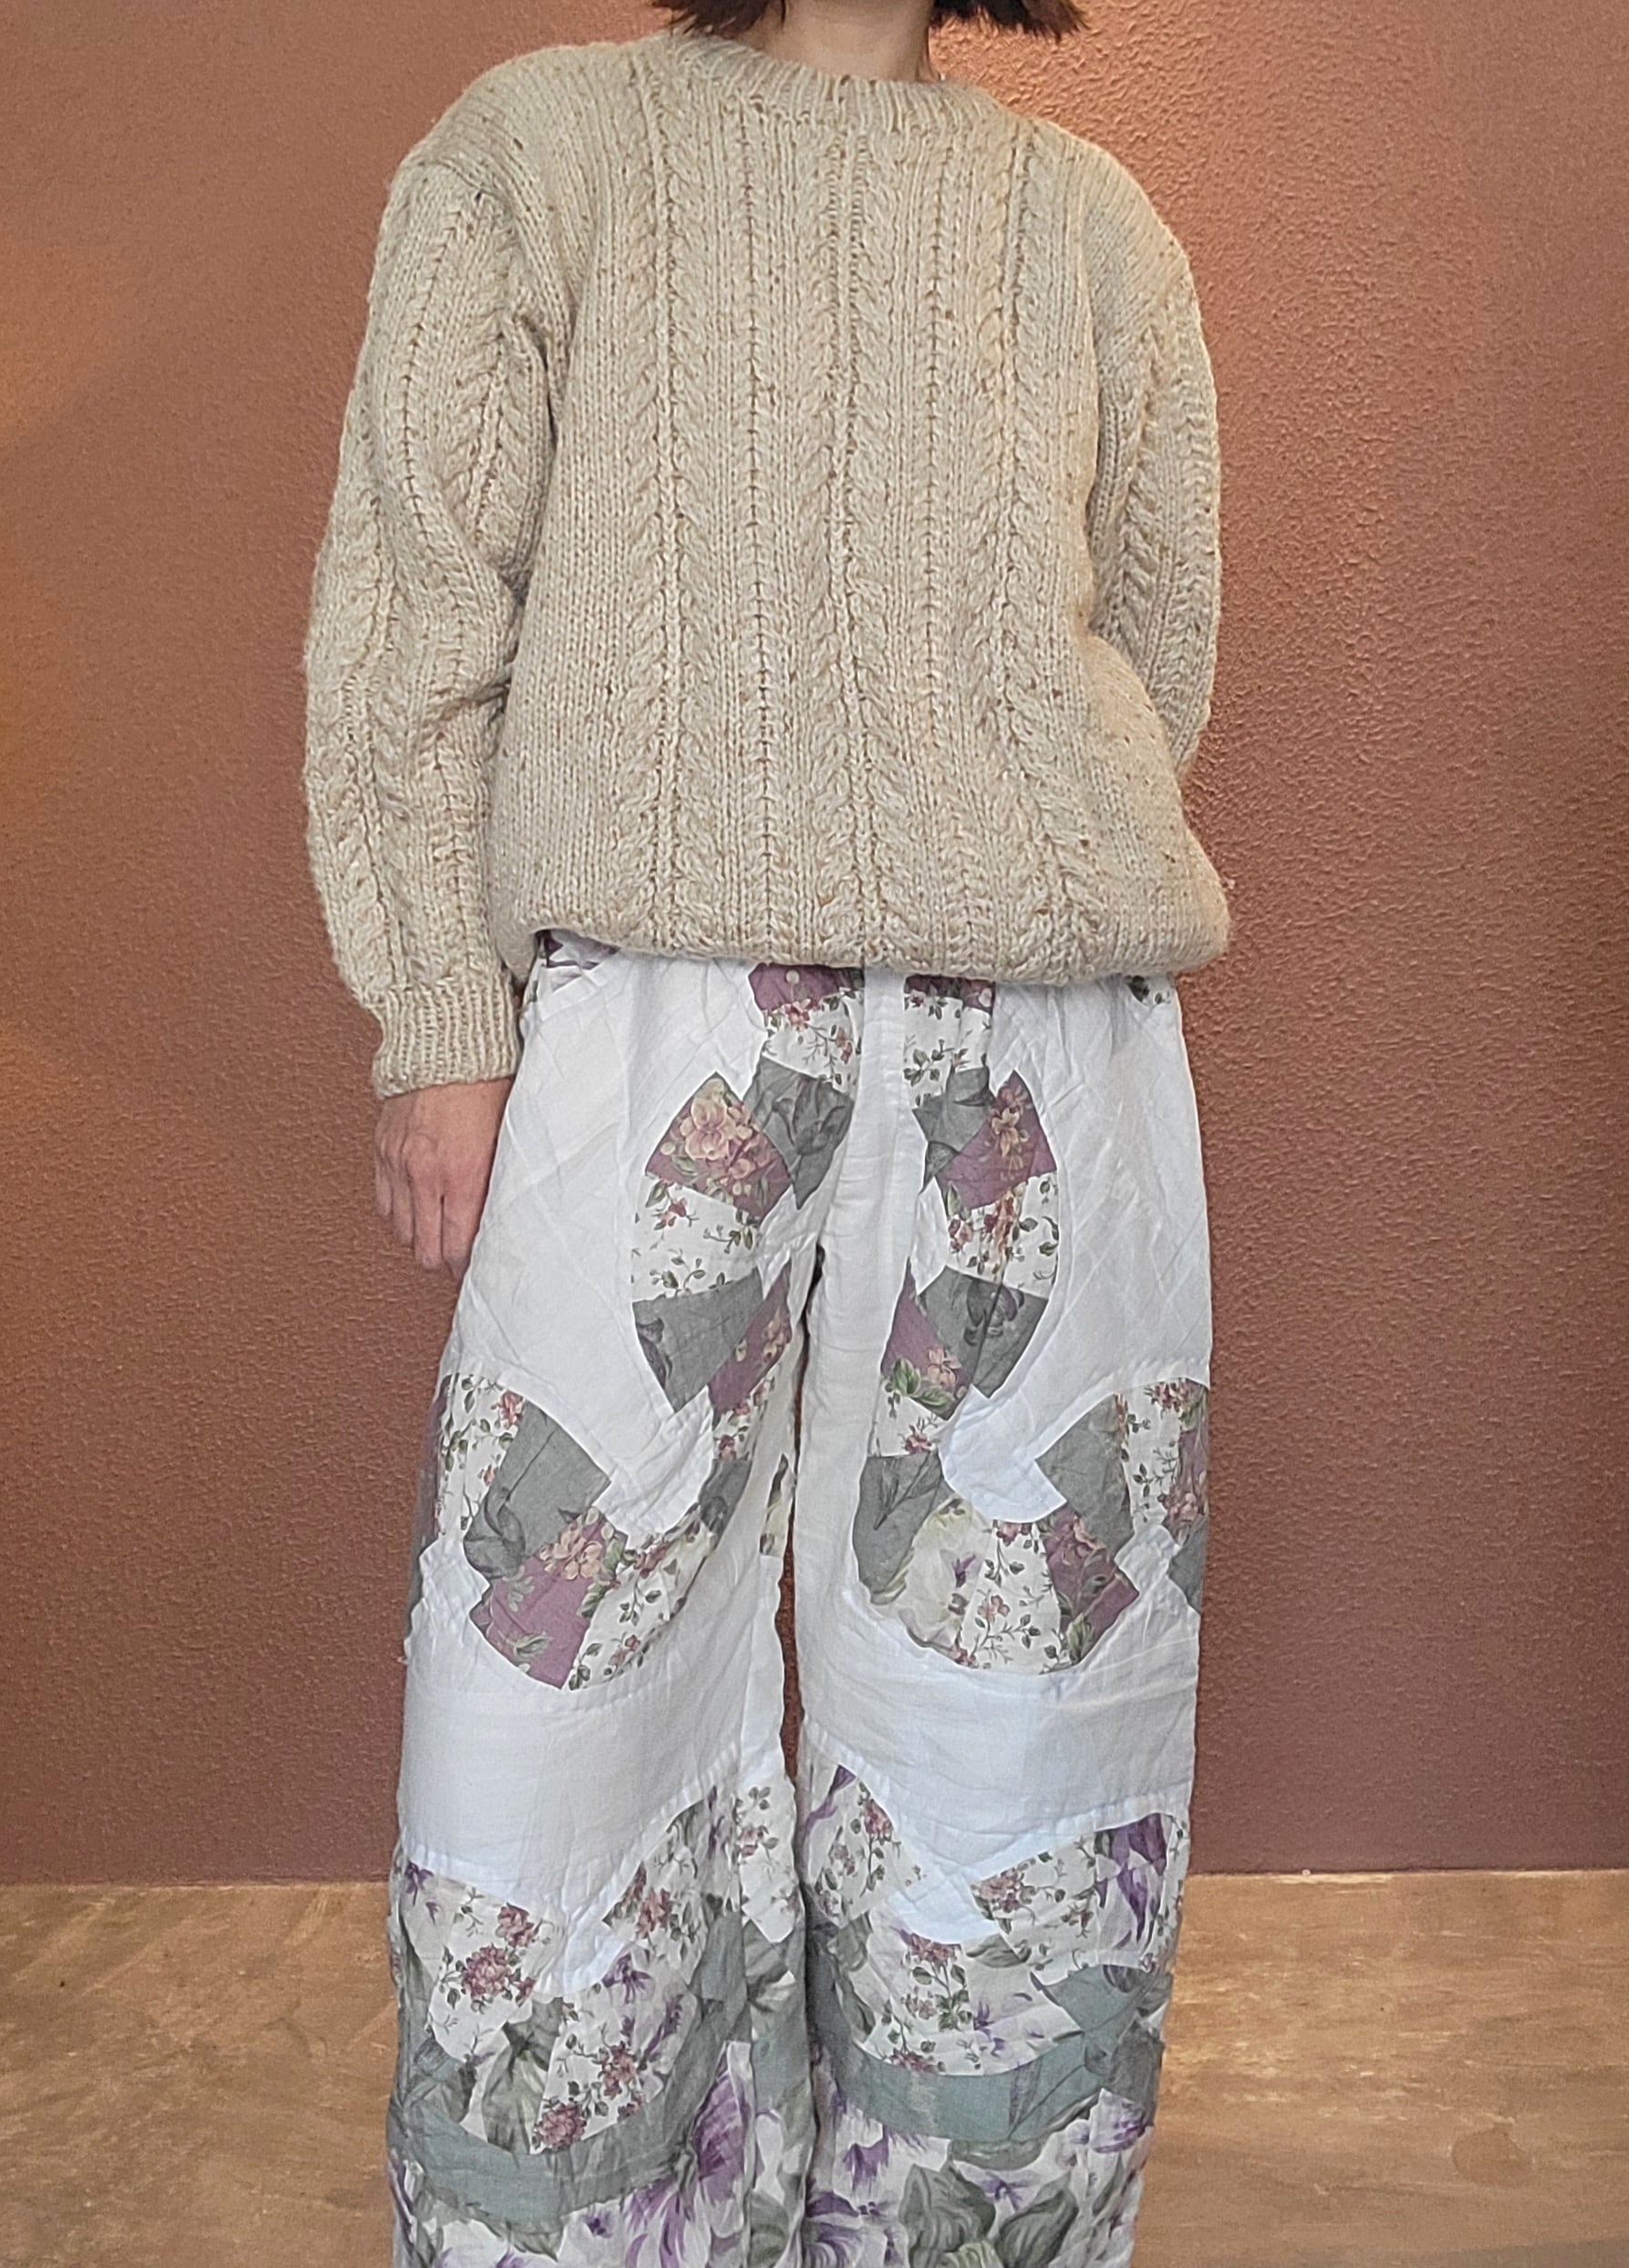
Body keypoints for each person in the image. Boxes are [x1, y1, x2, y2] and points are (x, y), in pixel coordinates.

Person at [300, 0, 1225, 2258]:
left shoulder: (1088, 223)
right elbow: (417, 602)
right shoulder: (536, 151)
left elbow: (1152, 643)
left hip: (1038, 1049)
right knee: (559, 1687)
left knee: (1023, 1703)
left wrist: (979, 851)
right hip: (654, 1029)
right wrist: (439, 1014)